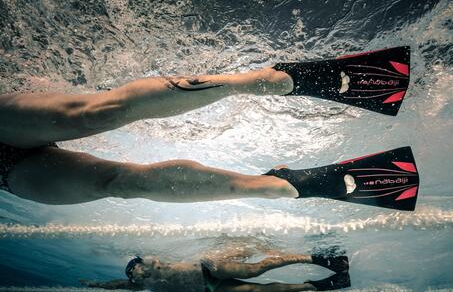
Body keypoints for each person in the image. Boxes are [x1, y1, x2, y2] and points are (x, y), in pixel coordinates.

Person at [0, 68, 300, 205]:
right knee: (124, 185)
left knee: (96, 113)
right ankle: (275, 185)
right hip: (7, 172)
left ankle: (268, 79)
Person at [81, 252, 350, 292]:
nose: (134, 274)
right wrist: (96, 285)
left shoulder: (155, 262)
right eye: (132, 274)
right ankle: (318, 286)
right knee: (258, 291)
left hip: (208, 269)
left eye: (134, 268)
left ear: (140, 265)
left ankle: (322, 259)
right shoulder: (140, 285)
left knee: (258, 268)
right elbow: (118, 285)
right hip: (208, 290)